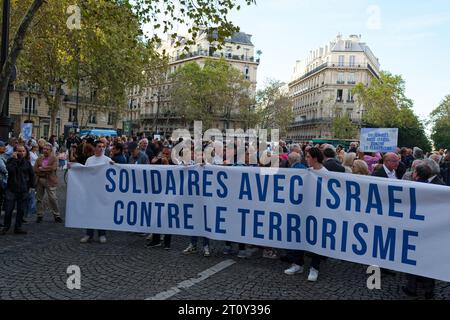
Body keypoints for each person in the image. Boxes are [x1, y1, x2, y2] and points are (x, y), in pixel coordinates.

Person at [284, 147, 326, 282]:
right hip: (303, 211)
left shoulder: (326, 174)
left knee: (315, 240)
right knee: (299, 237)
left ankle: (315, 268)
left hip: (318, 213)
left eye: (308, 157)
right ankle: (298, 264)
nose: (306, 159)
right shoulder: (307, 172)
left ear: (315, 158)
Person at [402, 163, 443, 299]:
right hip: (430, 230)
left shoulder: (410, 188)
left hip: (413, 229)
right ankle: (429, 290)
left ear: (416, 174)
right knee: (427, 259)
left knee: (411, 258)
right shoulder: (435, 188)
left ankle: (411, 287)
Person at [79, 140, 113, 244]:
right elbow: (85, 173)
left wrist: (114, 165)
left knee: (101, 213)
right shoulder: (89, 160)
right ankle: (89, 234)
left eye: (103, 146)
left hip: (102, 191)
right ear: (95, 148)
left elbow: (113, 173)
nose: (101, 148)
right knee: (90, 212)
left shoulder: (108, 160)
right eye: (99, 146)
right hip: (91, 191)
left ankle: (102, 234)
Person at [1, 145, 35, 235]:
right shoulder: (10, 161)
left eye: (23, 151)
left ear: (26, 152)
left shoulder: (27, 163)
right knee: (8, 209)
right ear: (15, 152)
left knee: (21, 210)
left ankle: (18, 227)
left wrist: (32, 187)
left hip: (23, 189)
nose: (22, 153)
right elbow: (10, 170)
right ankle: (6, 227)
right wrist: (14, 159)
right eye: (19, 151)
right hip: (11, 189)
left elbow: (32, 175)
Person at [34, 143, 63, 223]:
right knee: (39, 198)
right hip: (40, 180)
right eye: (44, 149)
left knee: (53, 198)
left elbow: (53, 168)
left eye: (47, 149)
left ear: (50, 150)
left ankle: (57, 215)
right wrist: (45, 170)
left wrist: (42, 168)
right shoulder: (39, 158)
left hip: (50, 180)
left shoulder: (54, 158)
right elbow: (35, 169)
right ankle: (39, 215)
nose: (45, 150)